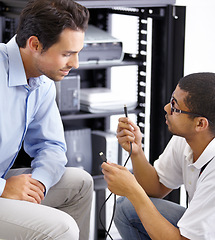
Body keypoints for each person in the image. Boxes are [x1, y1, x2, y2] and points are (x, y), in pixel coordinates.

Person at [0, 0, 93, 239]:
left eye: (77, 53)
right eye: (67, 54)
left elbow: (51, 146)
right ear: (34, 44)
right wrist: (4, 189)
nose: (75, 64)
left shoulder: (41, 82)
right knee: (62, 228)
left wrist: (39, 184)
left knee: (80, 184)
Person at [102, 72, 215, 239]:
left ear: (200, 123)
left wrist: (133, 190)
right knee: (127, 208)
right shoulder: (186, 140)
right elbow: (156, 188)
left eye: (175, 107)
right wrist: (136, 151)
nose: (166, 108)